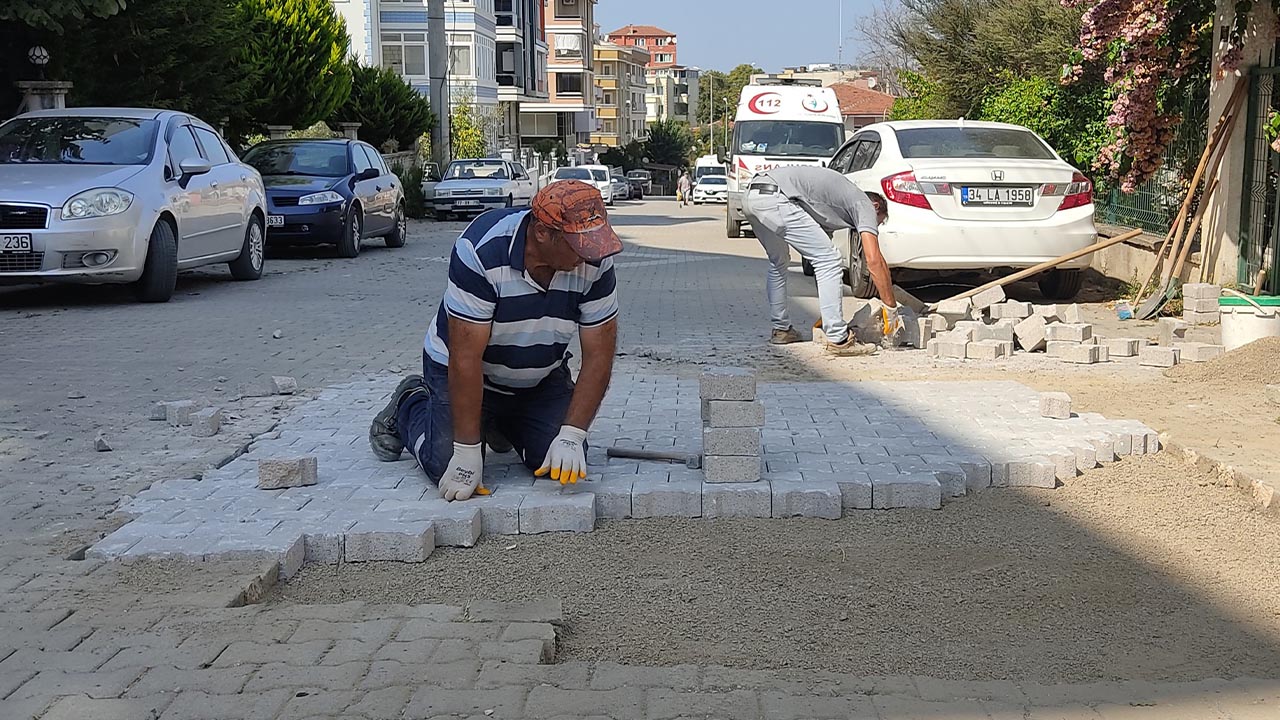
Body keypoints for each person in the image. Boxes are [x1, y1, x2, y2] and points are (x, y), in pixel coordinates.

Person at [368, 180, 622, 501]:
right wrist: (465, 452)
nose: (591, 254)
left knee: (558, 458)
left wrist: (572, 435)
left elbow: (600, 354)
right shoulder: (481, 250)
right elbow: (465, 358)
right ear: (543, 233)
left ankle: (501, 420)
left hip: (538, 376)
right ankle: (409, 403)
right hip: (464, 371)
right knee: (447, 463)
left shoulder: (595, 261)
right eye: (580, 243)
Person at [740, 164, 909, 356]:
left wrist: (828, 312)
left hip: (752, 196)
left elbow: (819, 265)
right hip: (776, 198)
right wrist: (891, 309)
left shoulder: (830, 206)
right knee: (829, 260)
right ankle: (839, 338)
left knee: (779, 262)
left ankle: (782, 330)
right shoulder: (863, 204)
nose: (871, 228)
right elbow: (874, 261)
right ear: (876, 207)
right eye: (877, 222)